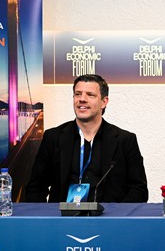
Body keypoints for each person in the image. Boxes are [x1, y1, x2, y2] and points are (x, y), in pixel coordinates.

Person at [25, 74, 148, 203]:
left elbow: (139, 190)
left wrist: (117, 214)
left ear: (104, 102)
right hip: (62, 215)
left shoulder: (125, 140)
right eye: (77, 94)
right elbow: (36, 188)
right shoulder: (53, 138)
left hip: (109, 215)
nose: (82, 99)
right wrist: (45, 215)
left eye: (90, 95)